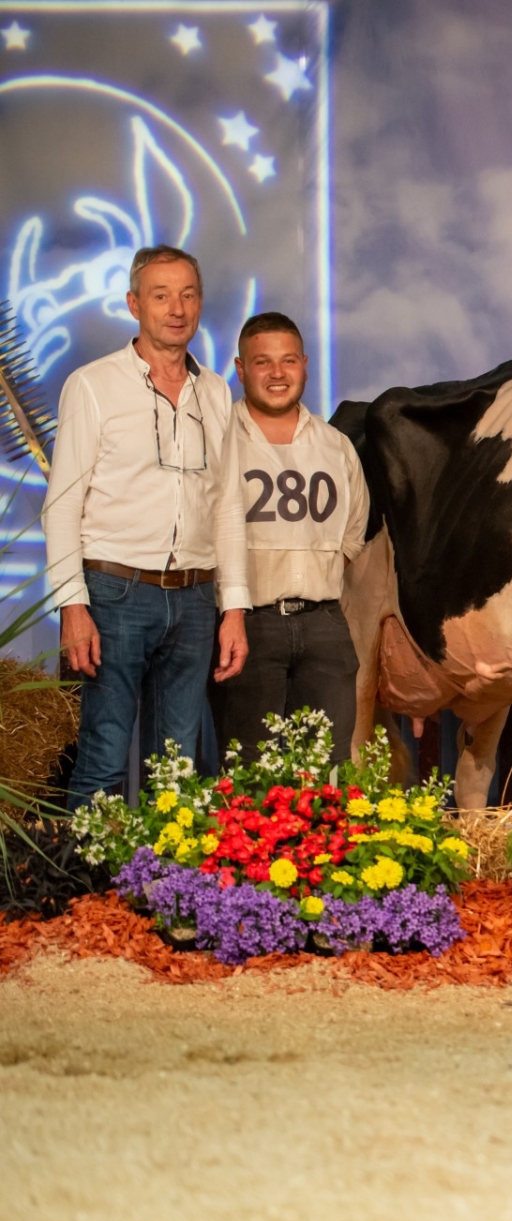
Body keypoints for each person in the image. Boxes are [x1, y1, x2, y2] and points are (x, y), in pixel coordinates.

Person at [44, 245, 251, 806]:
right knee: (104, 755)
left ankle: (163, 892)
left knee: (177, 769)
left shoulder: (214, 392)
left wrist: (234, 608)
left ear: (201, 303)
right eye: (161, 296)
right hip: (114, 593)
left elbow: (228, 505)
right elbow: (62, 505)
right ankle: (82, 891)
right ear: (135, 304)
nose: (176, 308)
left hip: (194, 598)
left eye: (187, 295)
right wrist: (72, 605)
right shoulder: (92, 385)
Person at [210, 313, 370, 767]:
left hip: (324, 625)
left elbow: (353, 530)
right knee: (248, 770)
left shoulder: (335, 445)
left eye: (287, 361)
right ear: (241, 369)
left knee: (327, 768)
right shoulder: (220, 440)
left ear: (304, 364)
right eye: (263, 362)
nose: (277, 374)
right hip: (247, 625)